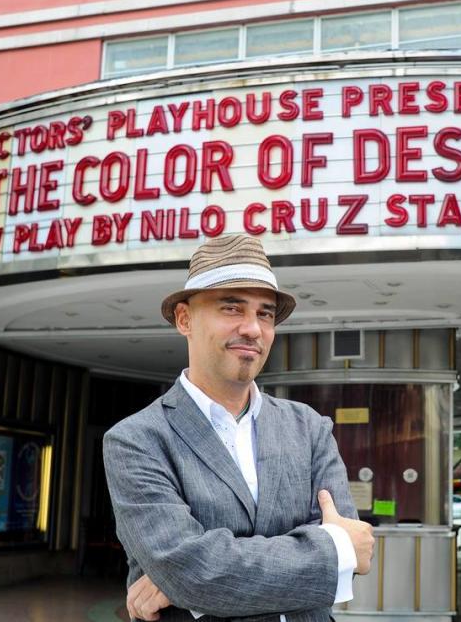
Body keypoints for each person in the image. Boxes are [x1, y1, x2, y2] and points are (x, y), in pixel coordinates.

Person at [103, 234, 374, 622]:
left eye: (265, 314)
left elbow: (356, 552)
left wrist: (189, 582)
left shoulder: (311, 428)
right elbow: (193, 572)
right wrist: (328, 551)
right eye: (232, 308)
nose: (253, 328)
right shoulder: (136, 439)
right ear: (184, 319)